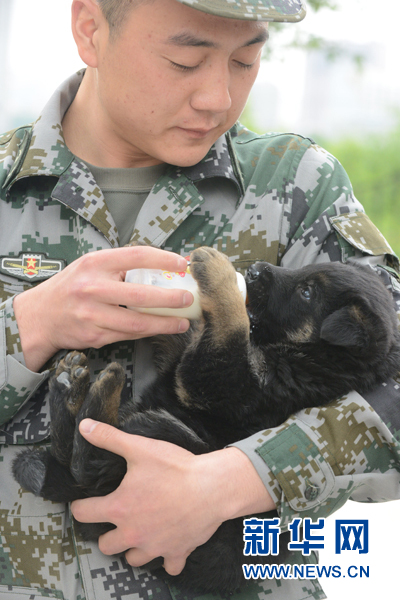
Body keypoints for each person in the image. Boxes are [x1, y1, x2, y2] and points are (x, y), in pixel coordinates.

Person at [0, 0, 399, 599]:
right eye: (185, 61)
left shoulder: (296, 187)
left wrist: (242, 477)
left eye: (246, 58)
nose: (217, 96)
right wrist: (25, 327)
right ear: (90, 29)